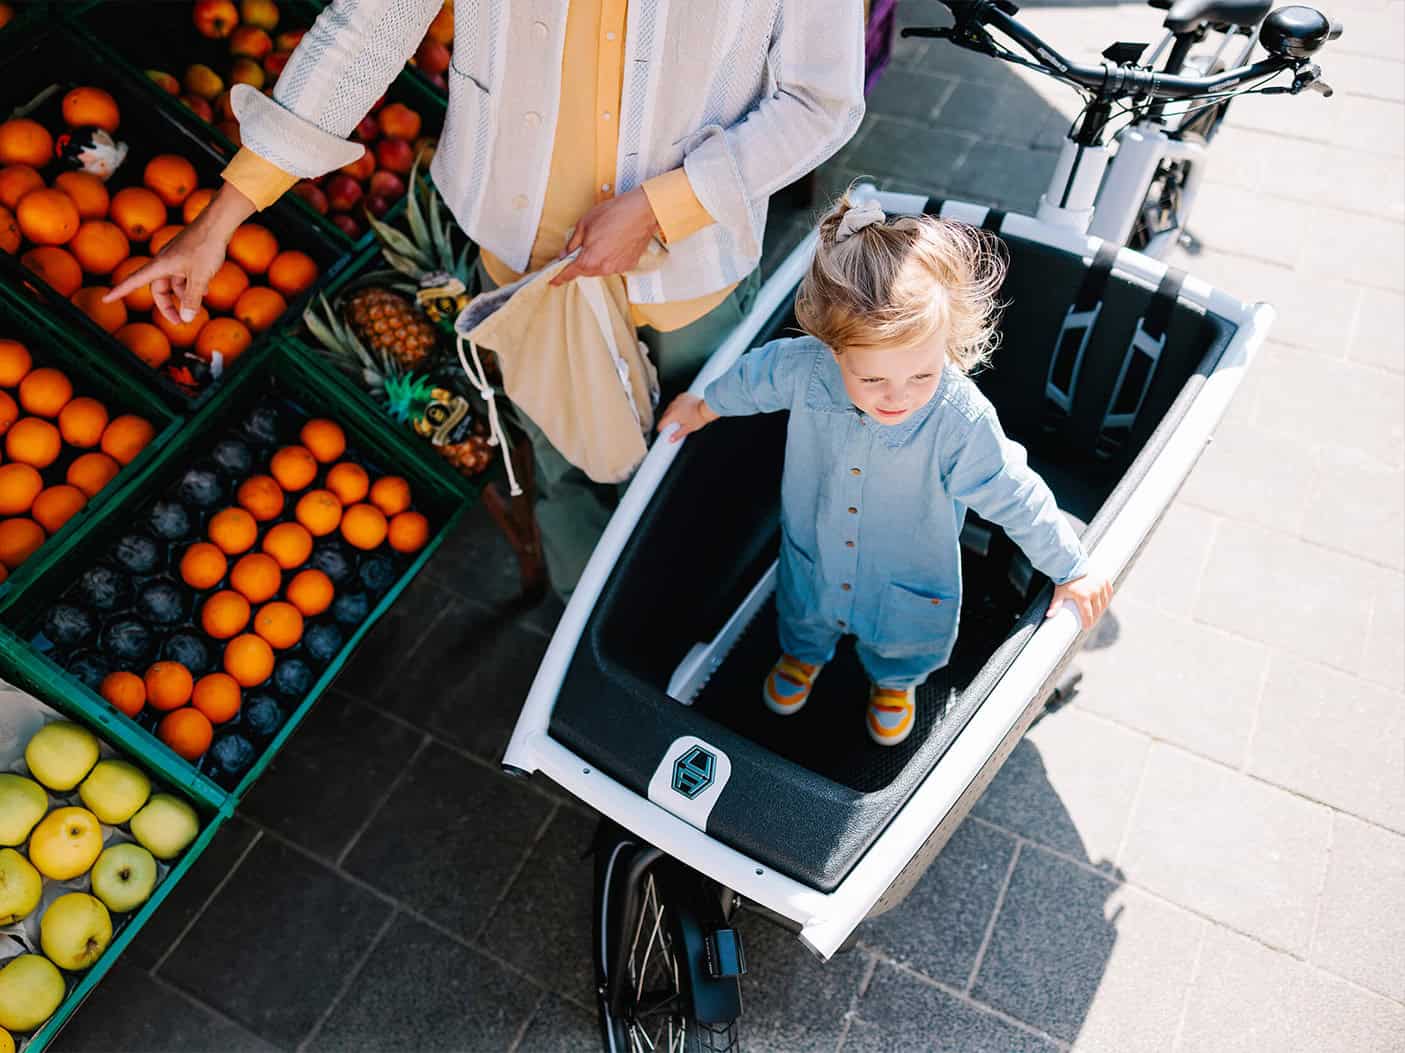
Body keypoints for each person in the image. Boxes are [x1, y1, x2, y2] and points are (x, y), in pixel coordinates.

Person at [108, 0, 868, 600]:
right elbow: (369, 26)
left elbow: (820, 100)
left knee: (706, 467)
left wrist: (663, 206)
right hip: (522, 251)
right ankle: (590, 644)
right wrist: (223, 217)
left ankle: (698, 630)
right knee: (570, 470)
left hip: (687, 263)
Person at [659, 194, 1114, 747]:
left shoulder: (957, 419)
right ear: (833, 350)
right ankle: (804, 658)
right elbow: (752, 379)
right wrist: (703, 405)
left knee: (904, 635)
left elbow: (1011, 490)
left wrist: (1070, 567)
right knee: (805, 606)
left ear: (947, 347)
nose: (898, 397)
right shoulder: (804, 369)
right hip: (818, 543)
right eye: (873, 380)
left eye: (921, 376)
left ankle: (895, 685)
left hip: (908, 570)